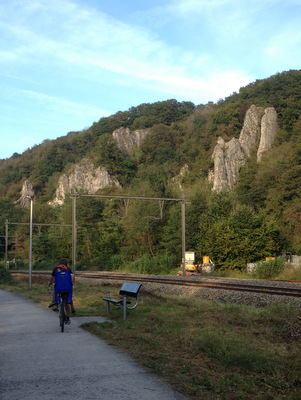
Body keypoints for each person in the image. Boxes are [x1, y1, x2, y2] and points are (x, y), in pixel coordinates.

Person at [48, 258, 75, 325]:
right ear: (66, 263)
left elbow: (51, 278)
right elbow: (73, 276)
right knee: (66, 302)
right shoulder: (68, 269)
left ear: (59, 263)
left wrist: (50, 283)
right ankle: (68, 318)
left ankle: (54, 303)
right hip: (66, 288)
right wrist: (72, 284)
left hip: (59, 288)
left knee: (55, 290)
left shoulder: (55, 269)